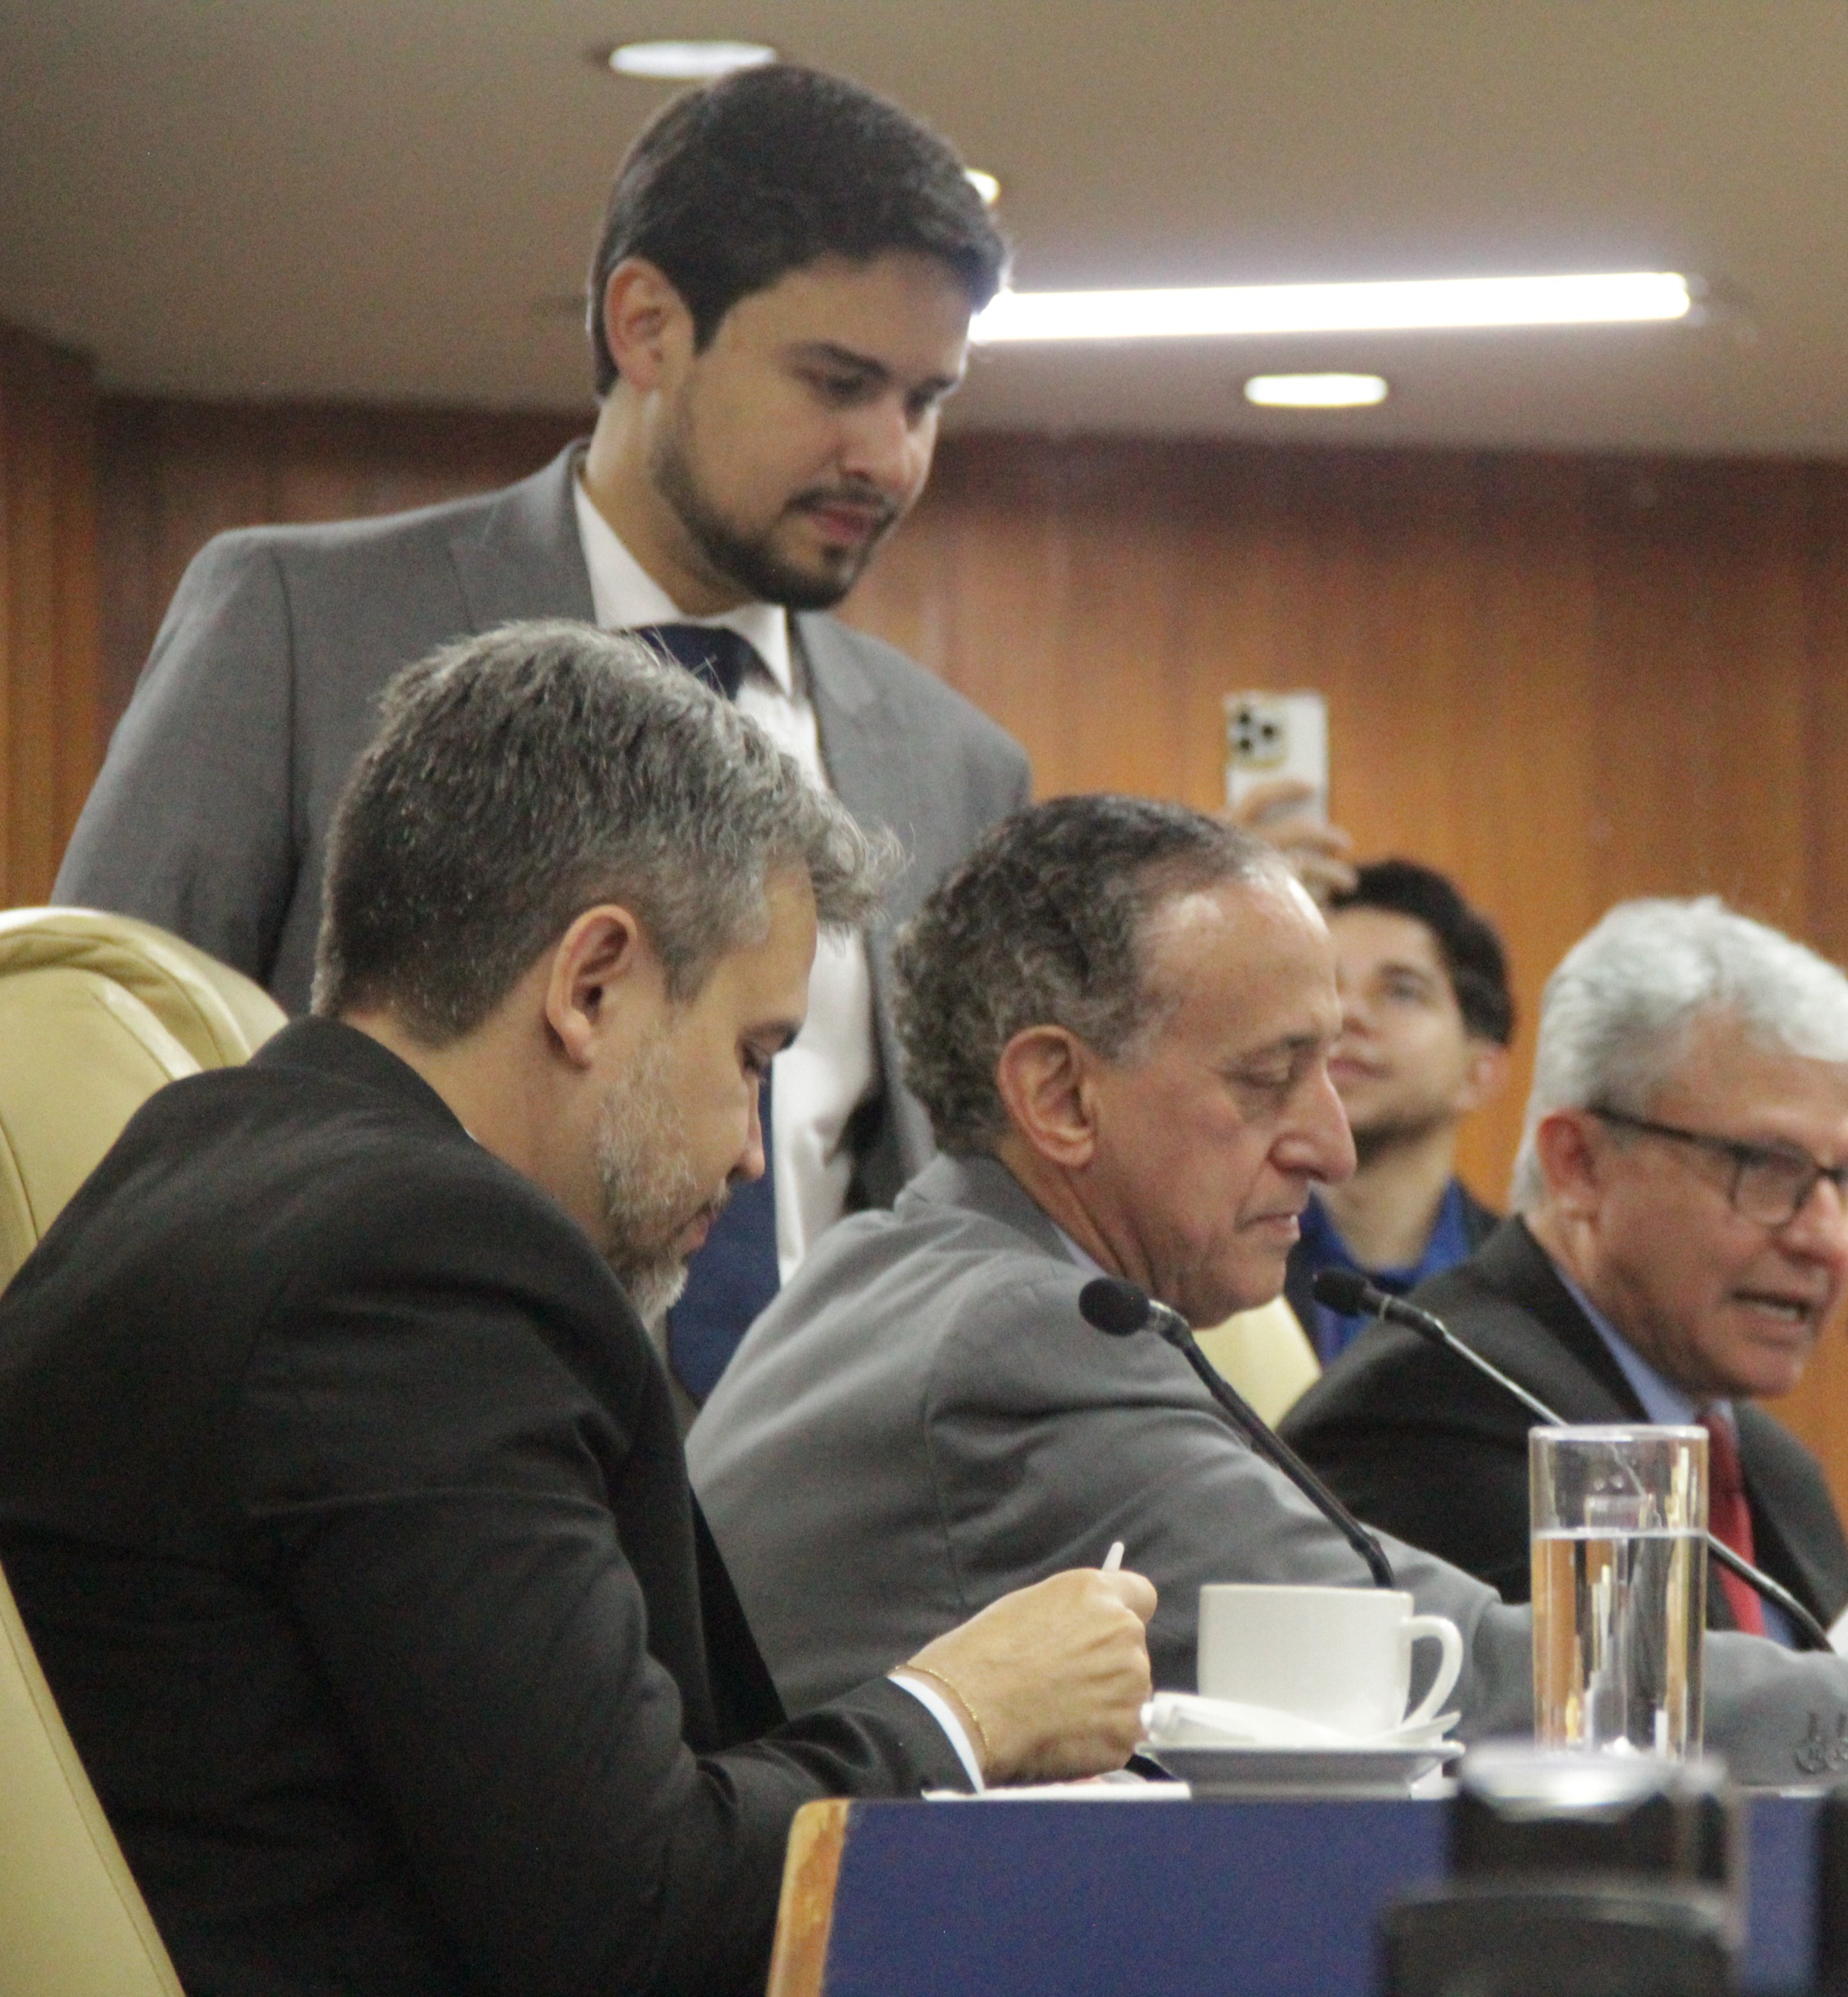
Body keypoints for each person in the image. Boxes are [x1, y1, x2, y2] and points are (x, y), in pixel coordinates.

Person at [687, 797, 1848, 1783]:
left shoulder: (927, 1276)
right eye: (1272, 1078)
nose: (1328, 1141)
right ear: (1058, 1094)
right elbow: (1501, 1679)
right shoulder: (1017, 1335)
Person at [0, 627, 1154, 1997]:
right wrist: (961, 1712)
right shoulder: (420, 1271)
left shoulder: (196, 1161)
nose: (750, 1150)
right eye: (752, 1056)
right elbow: (633, 1916)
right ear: (592, 981)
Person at [53, 63, 1026, 1404]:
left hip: (807, 1499)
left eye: (924, 401)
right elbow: (85, 1064)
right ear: (646, 324)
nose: (889, 457)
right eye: (837, 381)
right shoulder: (299, 625)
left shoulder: (956, 762)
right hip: (372, 1446)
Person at [1280, 899, 1848, 1681]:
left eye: (1843, 1179)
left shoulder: (1757, 1456)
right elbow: (1685, 1713)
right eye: (1765, 1168)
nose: (1824, 1238)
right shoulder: (1435, 1406)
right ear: (1580, 1165)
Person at [1285, 858, 1513, 1360]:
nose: (1348, 1013)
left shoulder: (1527, 1294)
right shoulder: (1216, 1258)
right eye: (1327, 985)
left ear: (1479, 1072)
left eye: (1401, 991)